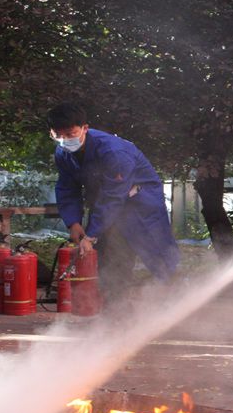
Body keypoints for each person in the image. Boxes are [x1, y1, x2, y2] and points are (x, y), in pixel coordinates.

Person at [48, 103, 180, 300]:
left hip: (140, 204)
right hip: (105, 203)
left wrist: (90, 236)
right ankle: (115, 309)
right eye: (58, 135)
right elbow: (67, 188)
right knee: (108, 255)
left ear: (85, 128)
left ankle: (177, 299)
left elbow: (113, 196)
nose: (65, 140)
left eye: (70, 134)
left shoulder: (114, 152)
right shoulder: (63, 154)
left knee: (157, 252)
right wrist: (73, 222)